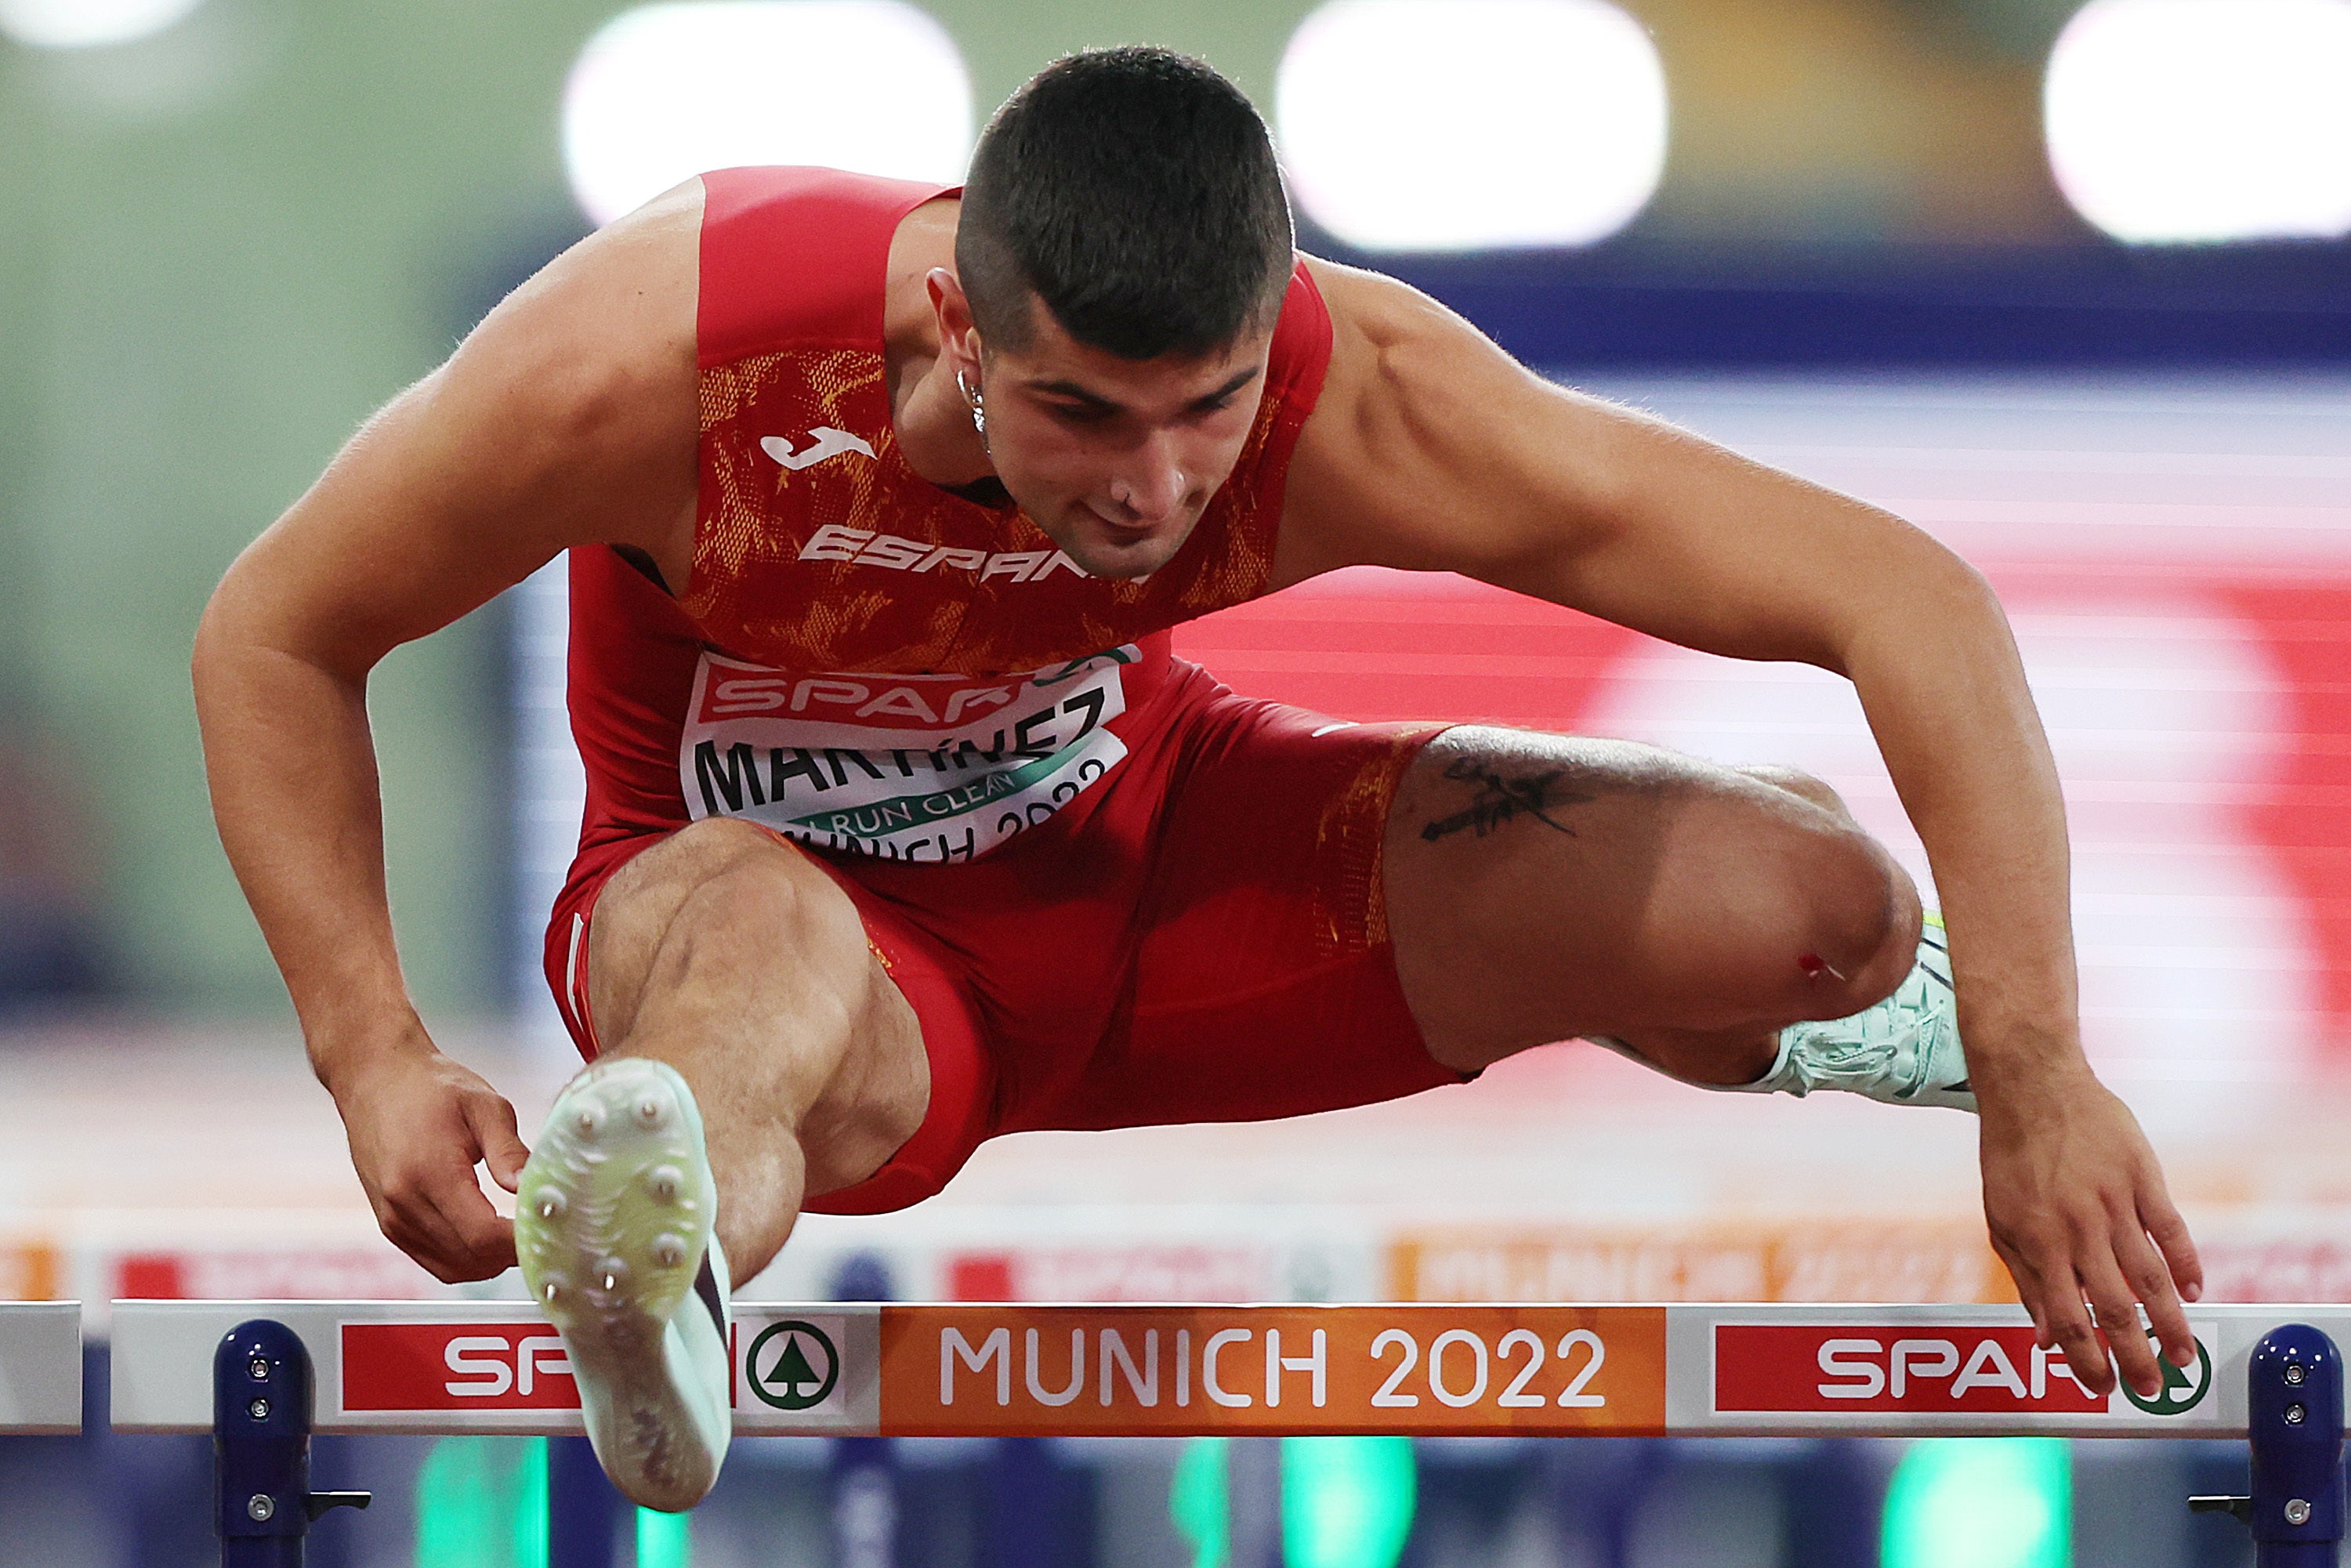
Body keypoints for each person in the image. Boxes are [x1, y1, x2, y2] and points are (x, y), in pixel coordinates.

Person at [193, 47, 2203, 1511]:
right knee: (756, 928)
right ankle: (658, 1259)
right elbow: (279, 628)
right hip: (808, 949)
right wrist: (370, 1045)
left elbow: (1911, 599)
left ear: (1268, 339)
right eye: (1076, 413)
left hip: (1157, 861)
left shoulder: (1366, 399)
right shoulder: (662, 362)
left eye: (1203, 412)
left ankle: (1863, 1018)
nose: (1149, 484)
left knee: (1821, 905)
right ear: (957, 320)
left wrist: (2038, 1062)